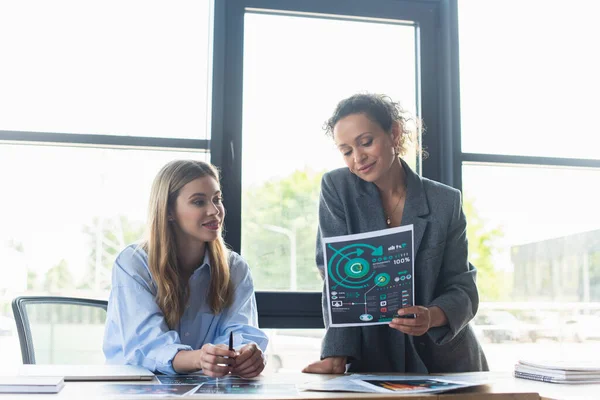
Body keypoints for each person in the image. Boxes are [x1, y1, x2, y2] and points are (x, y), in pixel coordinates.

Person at [303, 93, 488, 374]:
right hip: (373, 359)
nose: (358, 157)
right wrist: (336, 353)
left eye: (366, 142)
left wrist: (432, 316)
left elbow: (461, 286)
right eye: (346, 150)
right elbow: (335, 274)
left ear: (394, 133)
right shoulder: (338, 188)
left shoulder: (444, 201)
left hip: (444, 362)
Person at [103, 160, 268, 377]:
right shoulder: (134, 263)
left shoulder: (235, 268)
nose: (215, 211)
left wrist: (245, 354)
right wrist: (201, 358)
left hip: (205, 388)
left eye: (217, 199)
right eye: (199, 202)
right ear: (169, 211)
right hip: (137, 386)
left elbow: (240, 333)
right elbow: (147, 346)